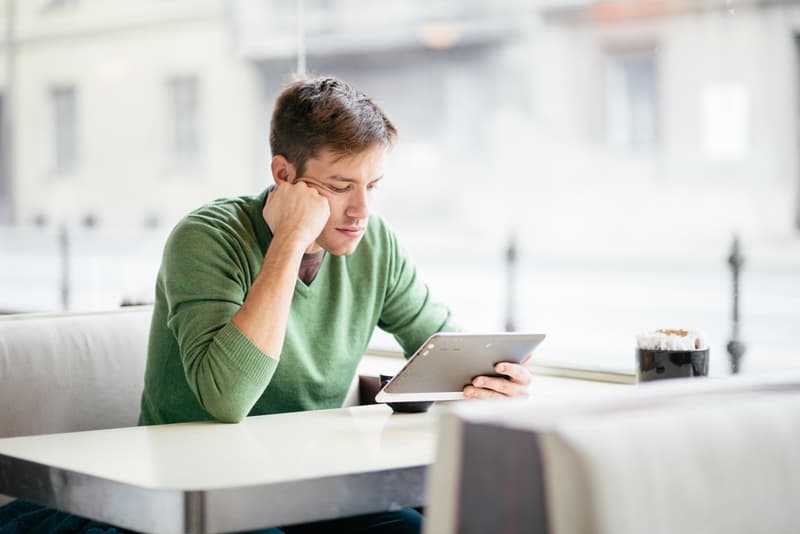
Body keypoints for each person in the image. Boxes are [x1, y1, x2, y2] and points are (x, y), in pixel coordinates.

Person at [0, 76, 532, 534]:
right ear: (283, 175)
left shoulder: (376, 244)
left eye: (373, 185)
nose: (361, 210)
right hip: (198, 480)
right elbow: (226, 398)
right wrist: (289, 243)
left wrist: (486, 378)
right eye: (341, 186)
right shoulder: (207, 238)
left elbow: (440, 342)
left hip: (315, 480)